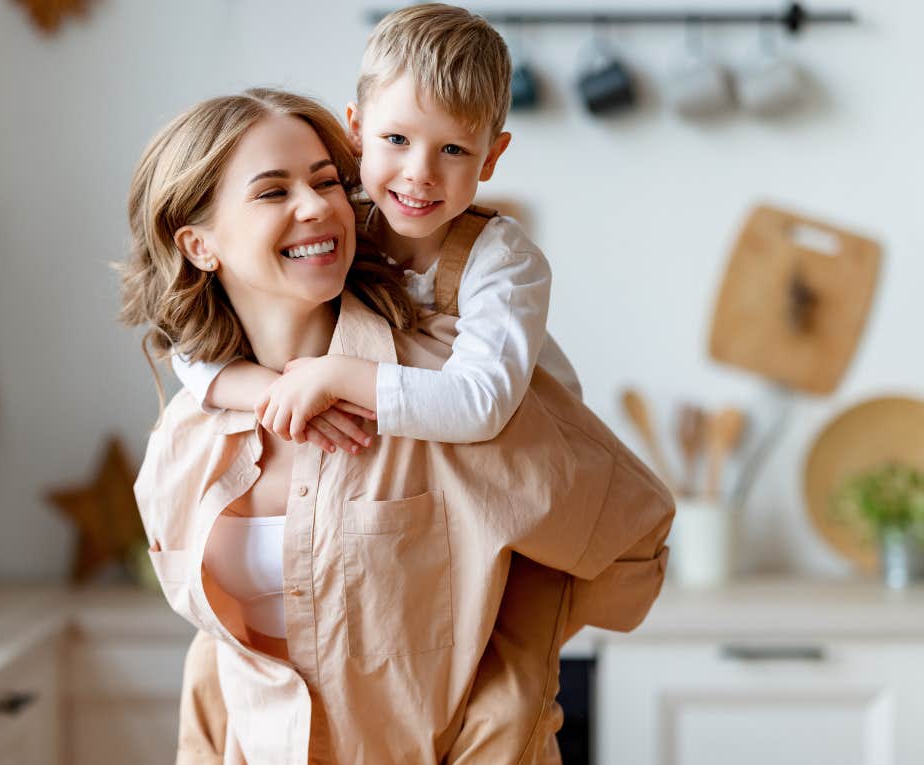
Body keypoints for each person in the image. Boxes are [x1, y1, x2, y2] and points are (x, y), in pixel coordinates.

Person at [120, 87, 672, 764]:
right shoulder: (188, 433)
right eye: (273, 192)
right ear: (199, 244)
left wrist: (512, 696)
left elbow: (629, 537)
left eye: (328, 181)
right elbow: (219, 639)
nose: (318, 205)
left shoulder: (436, 388)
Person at [172, 4, 580, 457]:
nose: (419, 173)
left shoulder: (503, 261)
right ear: (358, 131)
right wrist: (274, 390)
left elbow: (481, 404)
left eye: (453, 149)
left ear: (490, 158)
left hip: (533, 458)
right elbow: (191, 351)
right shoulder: (340, 219)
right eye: (397, 140)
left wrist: (336, 376)